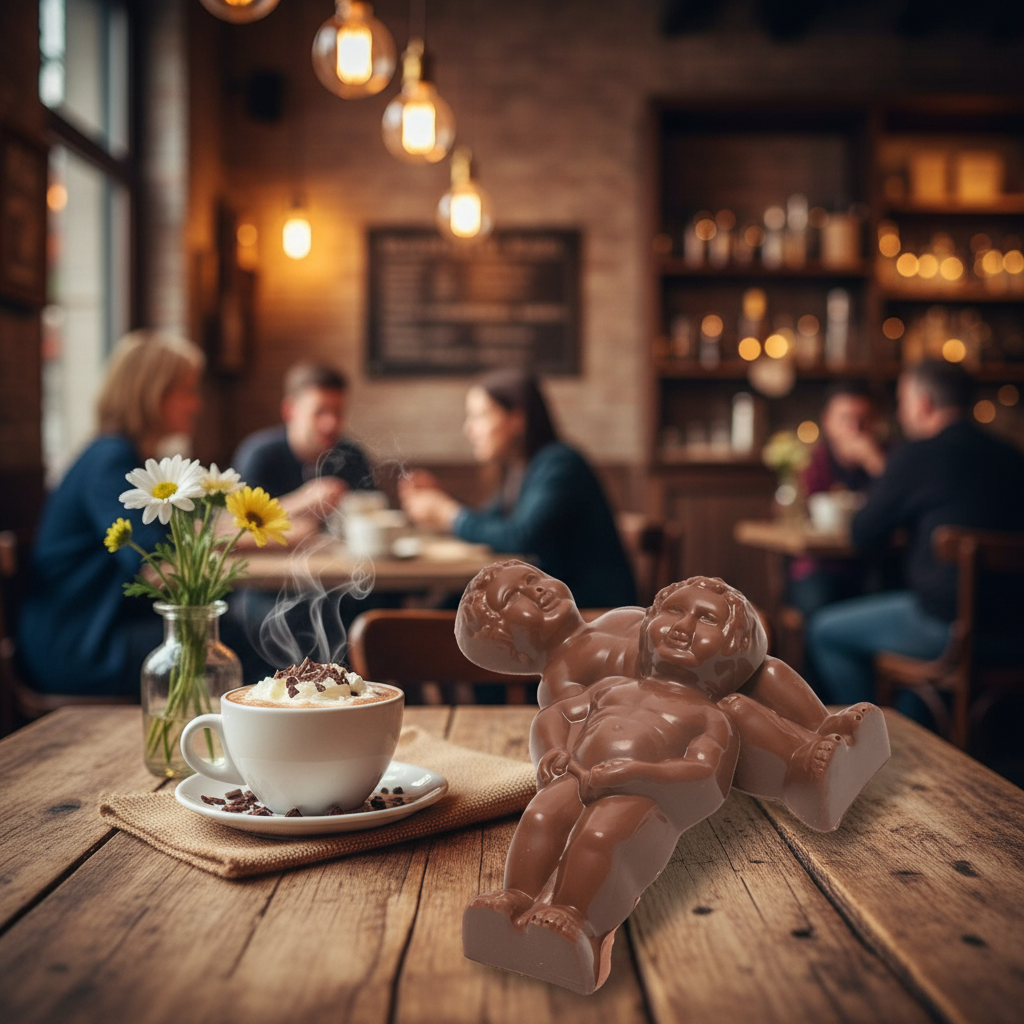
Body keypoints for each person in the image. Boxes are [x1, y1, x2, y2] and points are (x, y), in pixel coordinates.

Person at [462, 574, 888, 993]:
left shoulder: (621, 621)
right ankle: (519, 899)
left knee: (758, 681)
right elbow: (562, 717)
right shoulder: (564, 677)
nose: (536, 589)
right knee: (543, 816)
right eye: (515, 595)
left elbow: (703, 772)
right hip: (608, 760)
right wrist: (557, 752)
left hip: (689, 702)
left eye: (533, 577)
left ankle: (819, 741)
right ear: (514, 653)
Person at [807, 359, 1024, 713]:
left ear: (923, 403)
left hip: (947, 629)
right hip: (1015, 630)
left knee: (824, 631)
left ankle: (871, 738)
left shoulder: (917, 455)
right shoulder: (1013, 456)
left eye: (903, 401)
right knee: (913, 692)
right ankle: (912, 730)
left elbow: (863, 533)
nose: (901, 412)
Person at [18, 331, 205, 695]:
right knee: (240, 630)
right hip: (83, 645)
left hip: (104, 630)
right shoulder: (110, 460)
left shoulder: (121, 457)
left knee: (240, 623)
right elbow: (152, 565)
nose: (195, 404)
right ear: (153, 393)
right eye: (187, 390)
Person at [399, 369, 636, 609]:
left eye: (480, 416)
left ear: (516, 420)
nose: (469, 429)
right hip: (547, 603)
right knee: (437, 609)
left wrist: (448, 512)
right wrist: (443, 500)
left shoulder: (559, 464)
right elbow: (493, 522)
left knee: (434, 616)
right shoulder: (522, 467)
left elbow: (519, 537)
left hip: (588, 614)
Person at [231, 362, 375, 545]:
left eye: (338, 412)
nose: (331, 423)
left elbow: (375, 513)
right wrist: (303, 500)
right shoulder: (259, 455)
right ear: (289, 411)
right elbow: (234, 525)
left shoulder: (351, 455)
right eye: (320, 412)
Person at [788, 382, 886, 618]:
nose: (854, 429)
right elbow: (799, 513)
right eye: (845, 419)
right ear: (828, 422)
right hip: (820, 566)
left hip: (873, 564)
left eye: (862, 420)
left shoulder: (888, 460)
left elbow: (901, 506)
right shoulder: (812, 463)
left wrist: (875, 462)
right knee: (819, 601)